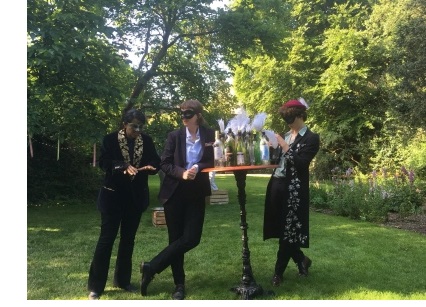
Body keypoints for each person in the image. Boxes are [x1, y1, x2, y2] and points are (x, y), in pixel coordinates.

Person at [140, 99, 215, 300]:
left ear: (198, 115)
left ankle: (152, 266)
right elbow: (163, 163)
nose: (183, 117)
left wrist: (198, 168)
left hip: (197, 191)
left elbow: (212, 159)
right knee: (175, 239)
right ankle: (179, 285)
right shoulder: (174, 136)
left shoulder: (209, 135)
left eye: (188, 113)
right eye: (181, 113)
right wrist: (182, 173)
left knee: (192, 238)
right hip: (174, 193)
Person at [87, 108, 161, 300]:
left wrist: (152, 167)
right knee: (106, 240)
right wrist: (121, 166)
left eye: (140, 126)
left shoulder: (146, 141)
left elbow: (156, 161)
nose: (137, 130)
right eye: (133, 126)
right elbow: (103, 162)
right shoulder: (110, 139)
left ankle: (122, 280)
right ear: (124, 124)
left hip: (135, 198)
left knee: (128, 240)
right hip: (112, 197)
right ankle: (96, 286)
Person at [263, 99, 320, 286]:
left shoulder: (311, 138)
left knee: (288, 230)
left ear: (300, 116)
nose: (288, 123)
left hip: (294, 190)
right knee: (282, 229)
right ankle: (301, 259)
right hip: (277, 185)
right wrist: (271, 147)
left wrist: (285, 146)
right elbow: (276, 162)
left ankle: (278, 273)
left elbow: (301, 164)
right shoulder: (285, 135)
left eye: (290, 119)